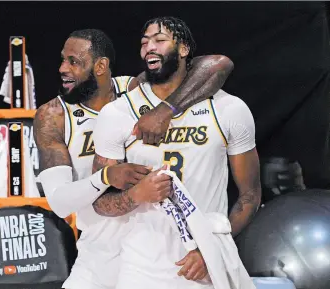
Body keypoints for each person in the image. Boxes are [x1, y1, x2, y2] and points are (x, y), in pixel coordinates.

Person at [34, 28, 234, 289]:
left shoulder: (134, 90)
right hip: (99, 252)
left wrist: (166, 109)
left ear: (101, 66)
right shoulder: (53, 116)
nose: (62, 68)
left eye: (74, 61)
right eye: (63, 60)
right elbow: (59, 203)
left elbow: (218, 64)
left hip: (154, 249)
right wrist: (106, 176)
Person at [92, 16, 261, 289]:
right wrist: (137, 194)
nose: (149, 47)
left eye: (159, 40)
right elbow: (99, 201)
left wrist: (213, 247)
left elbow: (250, 196)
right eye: (145, 42)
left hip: (204, 265)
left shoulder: (230, 109)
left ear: (183, 49)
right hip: (140, 268)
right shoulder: (117, 113)